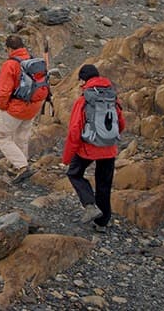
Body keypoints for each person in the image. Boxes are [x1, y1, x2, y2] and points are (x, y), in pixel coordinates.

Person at [62, 64, 125, 232]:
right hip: (109, 148)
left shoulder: (84, 100)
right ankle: (102, 223)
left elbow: (75, 131)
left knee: (74, 173)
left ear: (83, 80)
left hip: (88, 148)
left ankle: (90, 205)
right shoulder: (113, 97)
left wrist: (67, 158)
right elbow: (121, 124)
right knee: (104, 184)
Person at [0, 35, 47, 183]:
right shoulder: (32, 60)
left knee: (2, 137)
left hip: (16, 107)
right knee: (21, 136)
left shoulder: (10, 64)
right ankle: (17, 165)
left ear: (9, 49)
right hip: (33, 106)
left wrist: (3, 107)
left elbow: (4, 91)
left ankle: (22, 166)